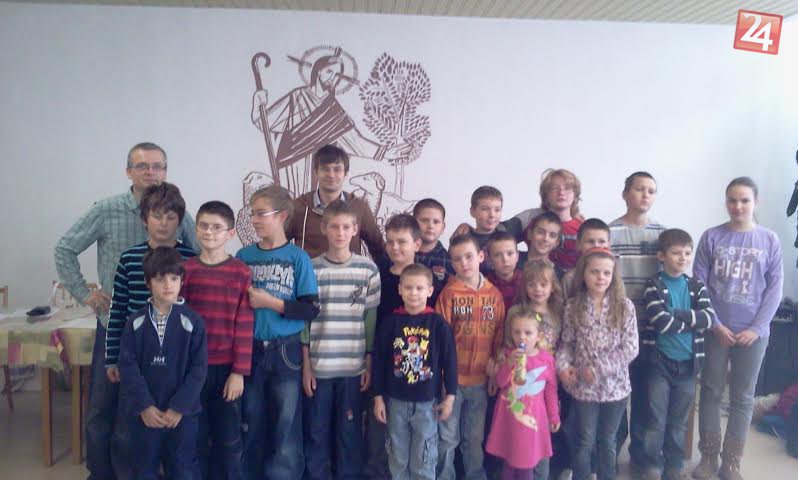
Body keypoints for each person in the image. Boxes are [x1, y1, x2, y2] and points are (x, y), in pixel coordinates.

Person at [53, 142, 197, 479]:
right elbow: (64, 248)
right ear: (128, 171)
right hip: (117, 323)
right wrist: (85, 293)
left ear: (166, 171)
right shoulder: (106, 210)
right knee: (103, 405)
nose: (150, 172)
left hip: (168, 333)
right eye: (142, 166)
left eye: (158, 166)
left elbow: (198, 255)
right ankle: (101, 473)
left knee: (152, 405)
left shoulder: (176, 211)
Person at [692, 177, 784, 480]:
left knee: (743, 398)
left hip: (753, 336)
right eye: (732, 200)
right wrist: (715, 324)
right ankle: (708, 456)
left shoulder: (769, 240)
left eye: (744, 200)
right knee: (710, 390)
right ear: (726, 202)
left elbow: (774, 289)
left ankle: (731, 462)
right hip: (716, 331)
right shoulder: (711, 237)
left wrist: (757, 328)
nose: (738, 206)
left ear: (756, 202)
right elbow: (699, 286)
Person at [236, 185, 320, 479]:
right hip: (250, 349)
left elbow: (310, 309)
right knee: (251, 419)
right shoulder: (243, 255)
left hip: (286, 349)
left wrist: (271, 302)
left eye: (261, 214)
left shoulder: (298, 257)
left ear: (282, 216)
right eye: (252, 214)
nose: (254, 220)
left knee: (286, 422)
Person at [250, 53, 409, 195]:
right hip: (292, 162)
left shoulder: (333, 108)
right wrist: (258, 104)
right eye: (329, 72)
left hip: (320, 167)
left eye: (337, 75)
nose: (333, 77)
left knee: (315, 209)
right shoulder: (297, 96)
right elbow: (266, 123)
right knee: (293, 206)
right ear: (318, 72)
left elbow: (354, 140)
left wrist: (385, 152)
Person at [302, 200, 381, 480]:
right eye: (334, 226)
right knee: (316, 432)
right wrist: (306, 366)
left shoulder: (368, 270)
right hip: (320, 367)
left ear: (355, 229)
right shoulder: (310, 269)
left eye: (346, 227)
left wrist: (368, 363)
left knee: (349, 434)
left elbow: (369, 321)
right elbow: (304, 323)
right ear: (324, 228)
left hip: (353, 369)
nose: (340, 232)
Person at [118, 246, 208, 480]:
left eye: (174, 278)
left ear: (182, 281)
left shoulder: (194, 322)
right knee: (144, 468)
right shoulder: (135, 322)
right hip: (145, 415)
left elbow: (199, 369)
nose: (168, 285)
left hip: (182, 415)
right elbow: (128, 367)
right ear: (148, 283)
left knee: (183, 468)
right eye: (160, 279)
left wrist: (179, 407)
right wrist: (145, 405)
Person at [180, 201, 254, 480]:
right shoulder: (185, 270)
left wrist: (239, 372)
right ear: (196, 229)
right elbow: (179, 322)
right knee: (194, 436)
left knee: (229, 438)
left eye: (216, 227)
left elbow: (244, 324)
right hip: (192, 369)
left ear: (230, 233)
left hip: (227, 370)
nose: (209, 232)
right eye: (203, 226)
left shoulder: (240, 272)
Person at [556, 247, 639, 480]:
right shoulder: (573, 306)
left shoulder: (625, 306)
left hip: (616, 389)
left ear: (613, 276)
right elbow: (567, 344)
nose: (600, 277)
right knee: (584, 440)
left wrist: (597, 369)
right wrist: (562, 367)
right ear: (584, 274)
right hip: (584, 390)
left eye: (606, 273)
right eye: (594, 272)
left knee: (608, 440)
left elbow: (631, 347)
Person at [639, 229, 715, 480]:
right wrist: (691, 321)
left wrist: (677, 313)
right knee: (656, 419)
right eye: (676, 253)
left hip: (688, 365)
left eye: (687, 253)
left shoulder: (696, 286)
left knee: (678, 421)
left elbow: (708, 319)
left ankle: (674, 464)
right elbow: (661, 322)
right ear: (661, 256)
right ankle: (652, 464)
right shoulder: (653, 285)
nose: (683, 258)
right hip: (659, 363)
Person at [372, 264, 458, 480]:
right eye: (408, 288)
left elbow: (450, 361)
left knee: (424, 456)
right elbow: (379, 362)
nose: (413, 293)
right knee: (397, 455)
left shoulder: (438, 324)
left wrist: (450, 397)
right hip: (396, 402)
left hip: (427, 404)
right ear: (400, 289)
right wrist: (378, 397)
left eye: (419, 288)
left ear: (430, 291)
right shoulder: (390, 323)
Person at [608, 172, 667, 470]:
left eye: (651, 191)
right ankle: (611, 453)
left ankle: (643, 456)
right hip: (618, 328)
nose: (645, 195)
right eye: (639, 189)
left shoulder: (662, 234)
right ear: (625, 194)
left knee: (647, 395)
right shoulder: (611, 232)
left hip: (652, 327)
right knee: (616, 394)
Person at [435, 234, 506, 480]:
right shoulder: (449, 294)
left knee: (474, 438)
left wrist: (495, 371)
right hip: (452, 382)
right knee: (447, 437)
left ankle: (475, 475)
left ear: (481, 256)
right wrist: (442, 377)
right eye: (457, 259)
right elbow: (439, 340)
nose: (464, 263)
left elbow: (500, 336)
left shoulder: (494, 295)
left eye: (469, 256)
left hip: (480, 381)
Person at [365, 213, 422, 479]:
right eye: (390, 242)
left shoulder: (425, 280)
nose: (395, 247)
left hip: (416, 366)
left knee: (412, 430)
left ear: (417, 244)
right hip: (382, 362)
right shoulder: (376, 275)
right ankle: (377, 472)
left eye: (402, 242)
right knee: (379, 424)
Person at [485, 304, 560, 480]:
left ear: (538, 336)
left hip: (533, 420)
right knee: (509, 463)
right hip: (509, 420)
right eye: (517, 332)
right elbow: (501, 382)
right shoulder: (508, 354)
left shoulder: (546, 359)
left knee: (525, 464)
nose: (522, 337)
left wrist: (554, 416)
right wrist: (509, 364)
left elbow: (551, 391)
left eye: (528, 333)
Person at [286, 144, 385, 259]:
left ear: (345, 173)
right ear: (316, 172)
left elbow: (379, 249)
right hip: (309, 271)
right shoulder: (298, 207)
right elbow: (277, 245)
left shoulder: (359, 207)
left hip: (350, 271)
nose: (331, 175)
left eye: (337, 169)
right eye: (325, 169)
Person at [510, 169, 585, 272]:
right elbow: (502, 242)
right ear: (546, 195)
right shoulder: (532, 220)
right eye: (555, 188)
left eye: (567, 188)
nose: (561, 193)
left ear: (575, 195)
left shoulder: (582, 229)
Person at [413, 198, 455, 305]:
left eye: (436, 222)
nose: (430, 226)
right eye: (424, 221)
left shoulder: (450, 260)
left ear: (443, 227)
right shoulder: (403, 254)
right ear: (413, 223)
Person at [560, 218, 611, 299]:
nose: (596, 246)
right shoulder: (570, 279)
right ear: (578, 244)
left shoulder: (613, 276)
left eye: (601, 241)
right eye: (590, 241)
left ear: (608, 245)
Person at [485, 232, 523, 310]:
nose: (505, 260)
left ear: (517, 256)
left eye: (510, 253)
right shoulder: (484, 284)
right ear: (489, 259)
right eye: (498, 255)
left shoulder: (527, 280)